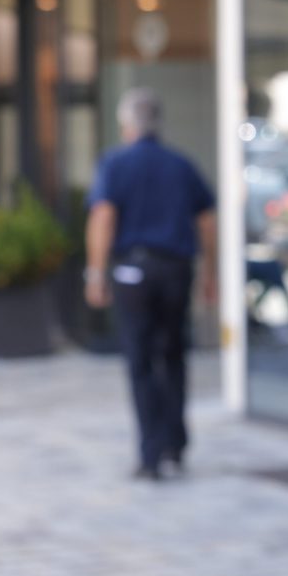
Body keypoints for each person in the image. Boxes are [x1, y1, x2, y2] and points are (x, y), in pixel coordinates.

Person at [84, 88, 214, 481]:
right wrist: (211, 272)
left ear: (126, 125)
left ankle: (151, 454)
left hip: (134, 271)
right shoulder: (181, 164)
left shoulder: (115, 163)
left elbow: (103, 217)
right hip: (176, 269)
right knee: (173, 356)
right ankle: (175, 445)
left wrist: (95, 272)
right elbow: (206, 221)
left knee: (140, 361)